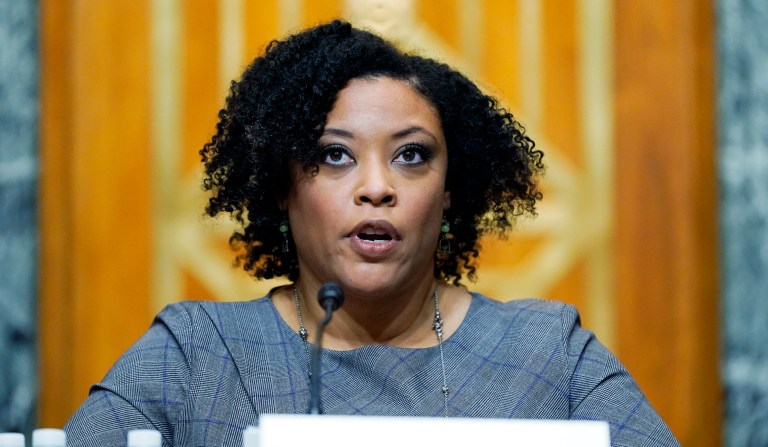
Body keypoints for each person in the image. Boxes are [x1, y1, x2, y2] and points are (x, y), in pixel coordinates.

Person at [65, 20, 679, 446]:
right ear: (281, 186)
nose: (377, 187)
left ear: (449, 188)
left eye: (411, 156)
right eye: (335, 156)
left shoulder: (548, 355)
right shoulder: (197, 354)